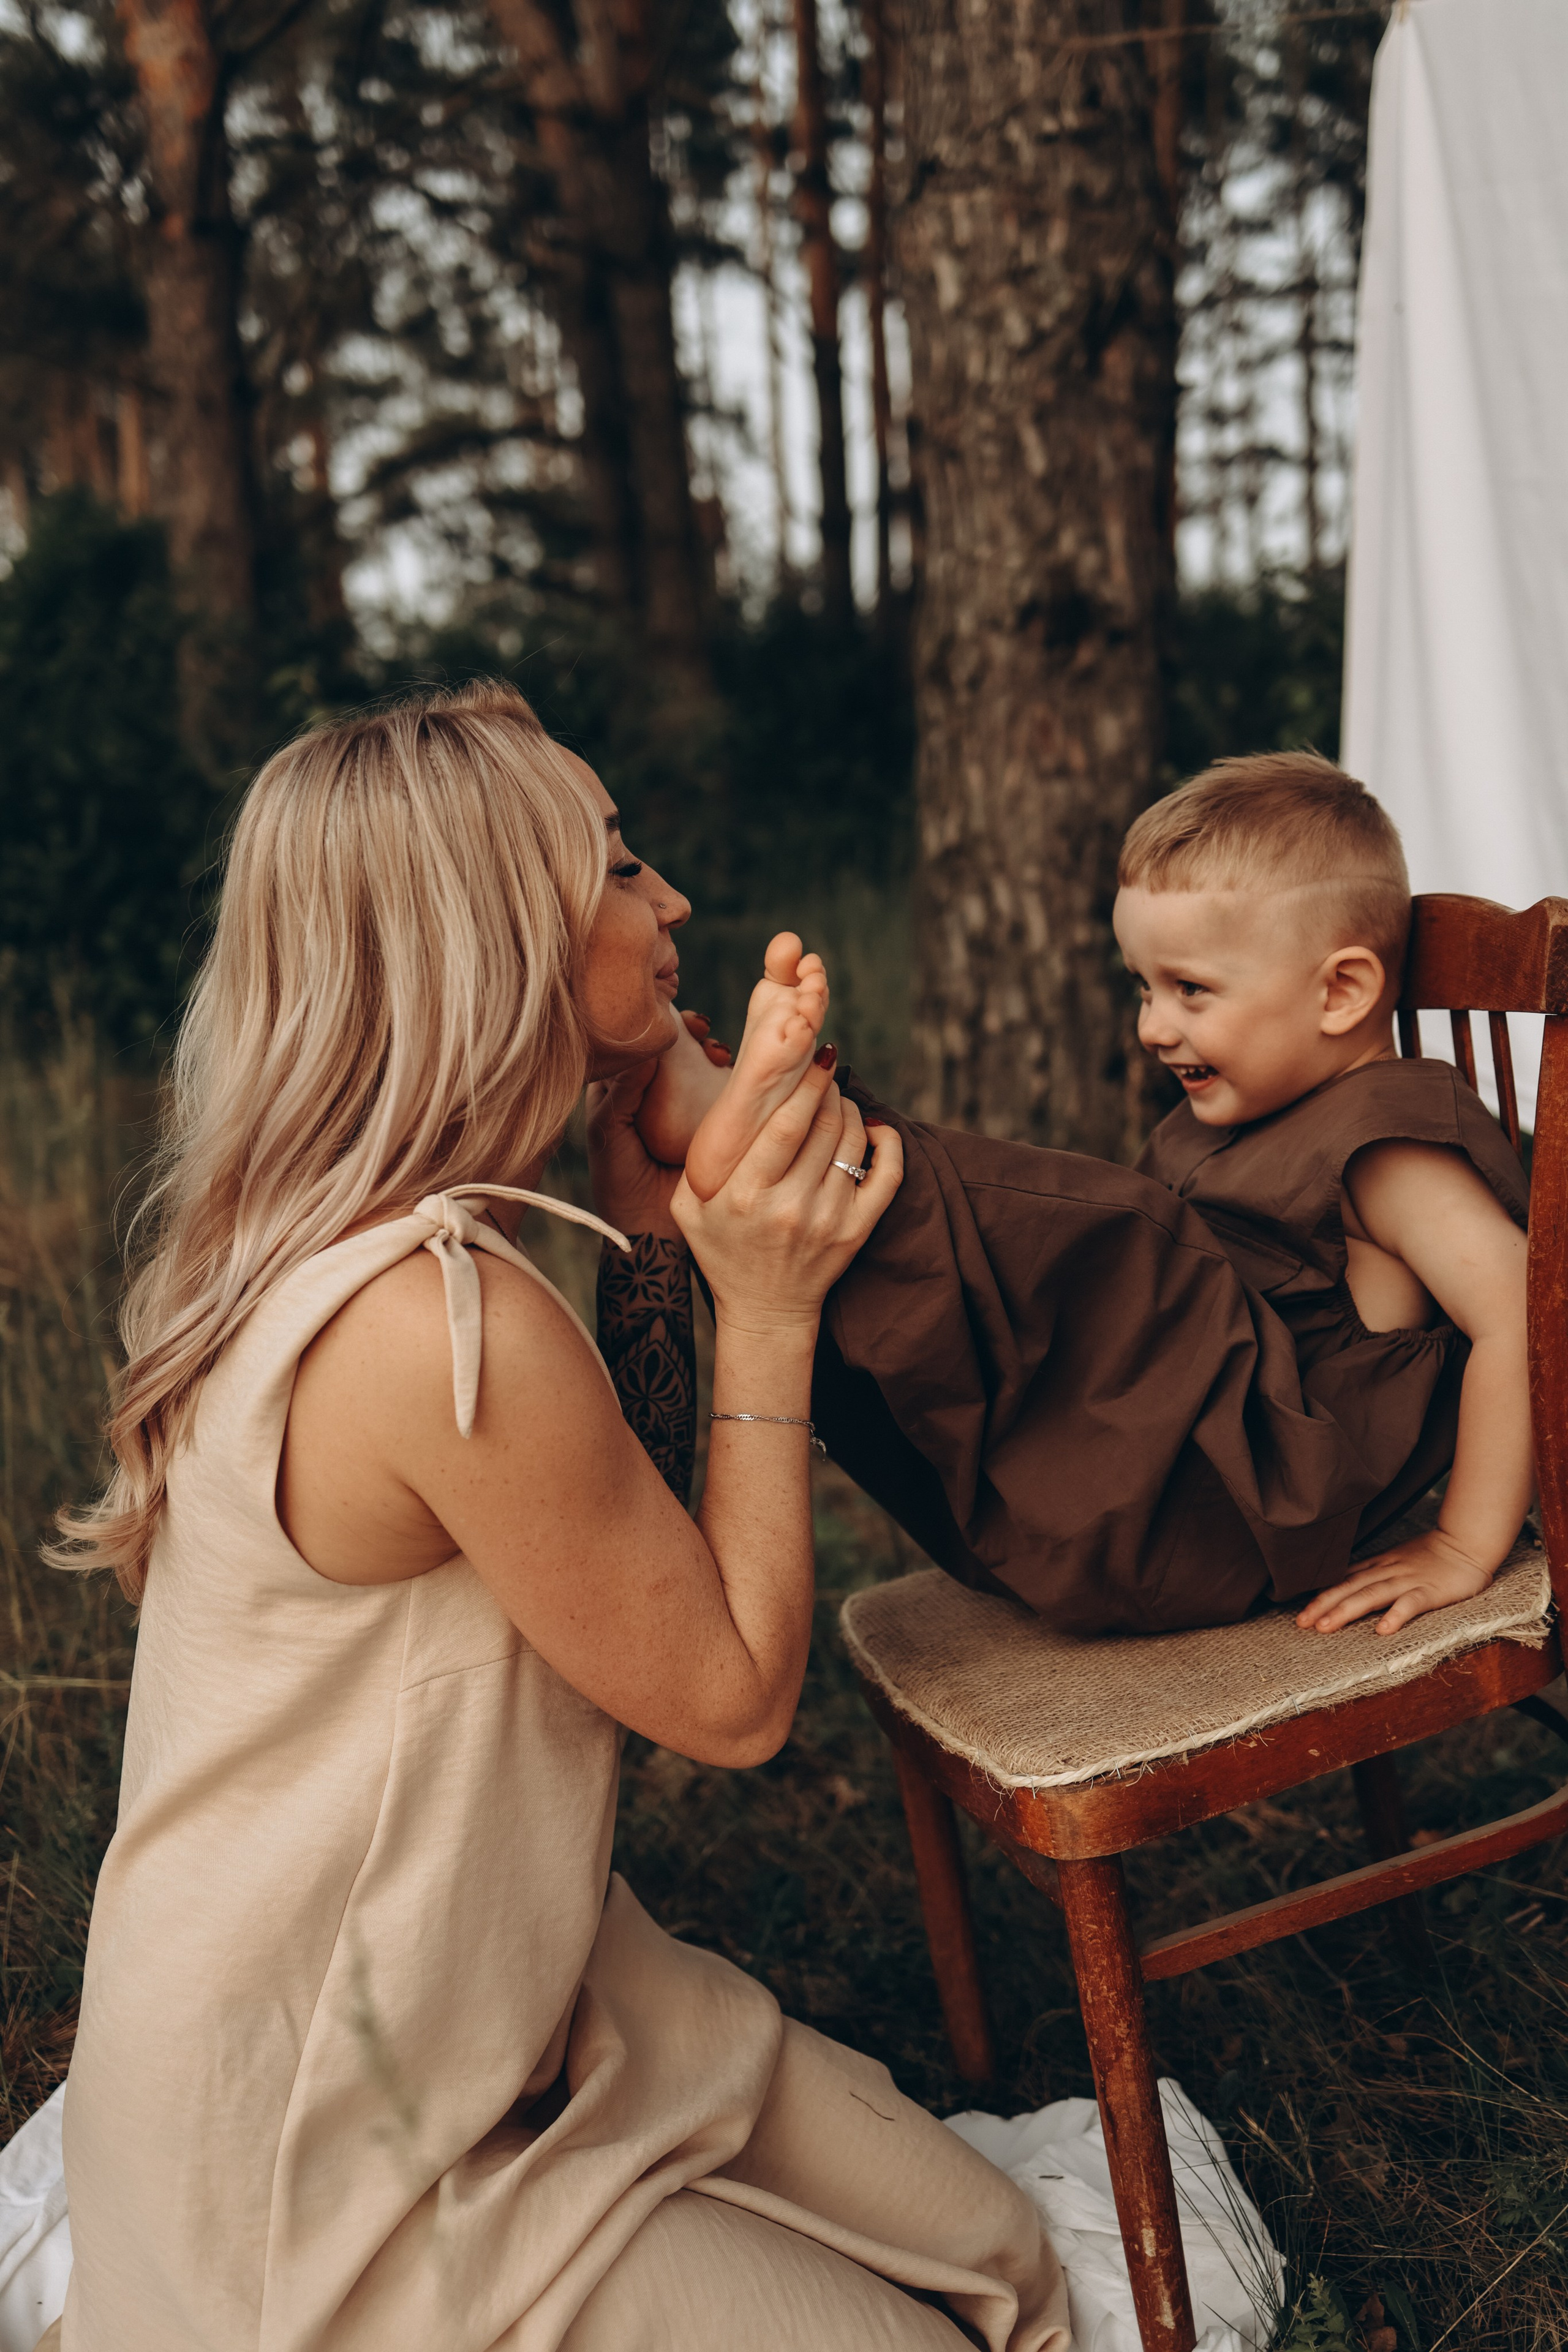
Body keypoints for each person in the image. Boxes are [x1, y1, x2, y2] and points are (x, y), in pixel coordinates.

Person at [50, 681, 1069, 2352]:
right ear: (494, 931)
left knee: (998, 2250)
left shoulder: (358, 1245)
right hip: (318, 2142)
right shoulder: (436, 1322)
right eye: (618, 867)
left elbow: (630, 1585)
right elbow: (729, 1699)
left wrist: (653, 1234)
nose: (668, 905)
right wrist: (772, 1309)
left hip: (492, 1999)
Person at [643, 753, 1532, 1642]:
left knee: (1093, 1237)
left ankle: (793, 1129)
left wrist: (1461, 1543)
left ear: (1341, 992)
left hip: (1227, 1506)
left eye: (1190, 990)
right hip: (1152, 1464)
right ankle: (796, 1146)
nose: (1153, 1026)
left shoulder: (1390, 1146)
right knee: (1008, 1283)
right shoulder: (1244, 1120)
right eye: (1143, 987)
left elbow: (1524, 1311)